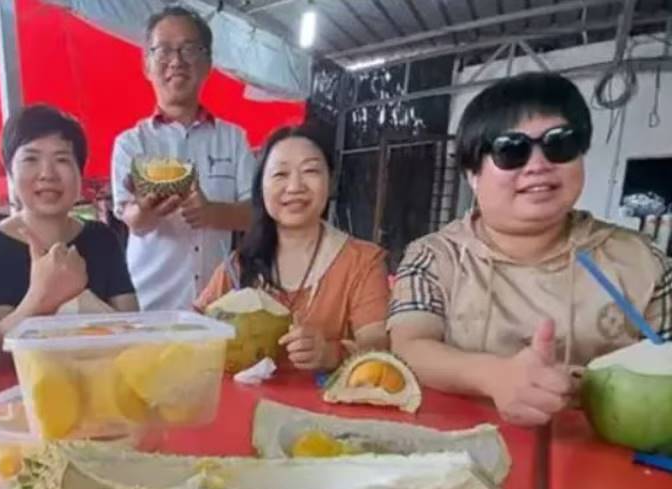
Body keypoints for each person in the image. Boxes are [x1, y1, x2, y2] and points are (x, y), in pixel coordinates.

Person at [389, 72, 672, 426]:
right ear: (472, 173)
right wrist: (494, 376)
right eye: (512, 150)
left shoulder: (642, 260)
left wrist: (582, 387)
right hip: (458, 447)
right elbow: (409, 345)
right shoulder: (435, 257)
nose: (538, 165)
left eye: (559, 144)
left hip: (613, 459)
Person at [195, 124, 390, 371]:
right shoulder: (240, 263)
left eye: (310, 170)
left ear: (330, 182)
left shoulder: (363, 262)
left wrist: (331, 354)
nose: (295, 186)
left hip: (326, 407)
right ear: (261, 188)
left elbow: (378, 345)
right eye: (280, 174)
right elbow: (195, 324)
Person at [0, 105, 137, 363]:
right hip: (24, 393)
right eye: (31, 159)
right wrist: (42, 296)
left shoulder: (101, 238)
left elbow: (132, 328)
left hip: (103, 386)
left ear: (80, 175)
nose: (47, 174)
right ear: (11, 173)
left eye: (62, 160)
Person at [112, 5, 254, 310]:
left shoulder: (235, 138)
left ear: (208, 63)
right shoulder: (131, 144)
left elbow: (255, 214)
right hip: (150, 305)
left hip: (219, 306)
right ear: (147, 65)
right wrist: (146, 211)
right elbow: (132, 221)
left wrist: (212, 212)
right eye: (163, 51)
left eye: (189, 49)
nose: (176, 61)